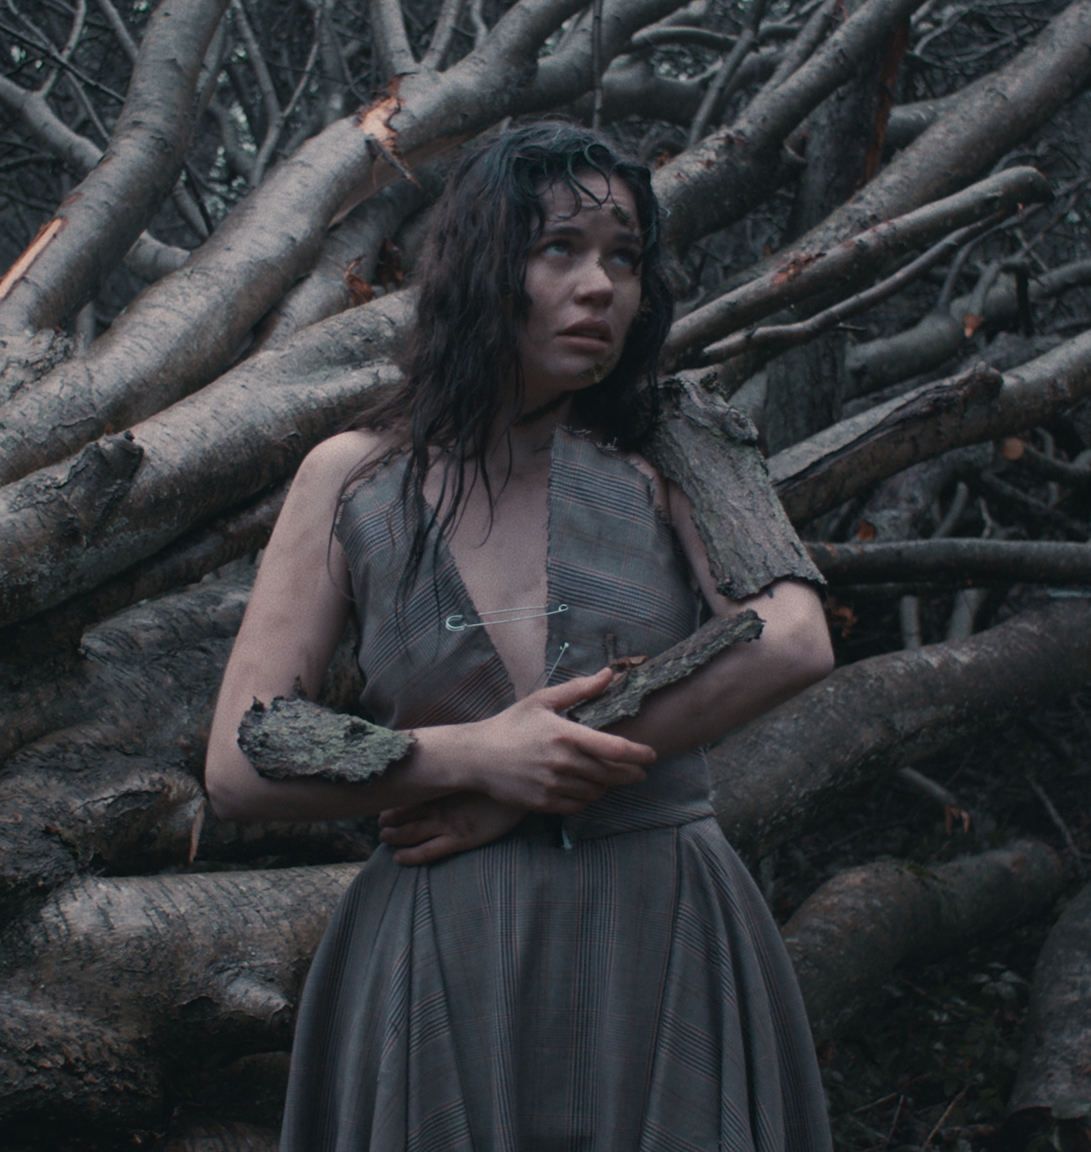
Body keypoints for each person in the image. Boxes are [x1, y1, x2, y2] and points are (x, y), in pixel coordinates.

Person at [204, 122, 835, 1151]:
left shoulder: (675, 442)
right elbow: (239, 761)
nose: (600, 287)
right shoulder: (351, 477)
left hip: (661, 940)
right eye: (560, 249)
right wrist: (475, 759)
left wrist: (540, 779)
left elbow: (792, 636)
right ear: (481, 265)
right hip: (438, 960)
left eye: (622, 258)